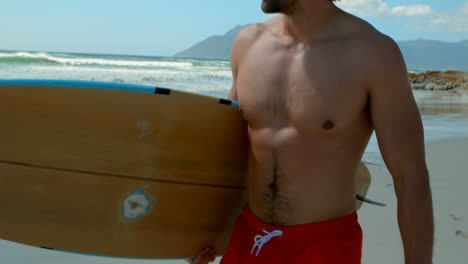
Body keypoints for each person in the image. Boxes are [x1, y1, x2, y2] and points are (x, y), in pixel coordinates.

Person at [188, 0, 433, 263]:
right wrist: (193, 237)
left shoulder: (372, 55)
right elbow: (229, 152)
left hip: (324, 247)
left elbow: (410, 177)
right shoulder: (248, 44)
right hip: (249, 240)